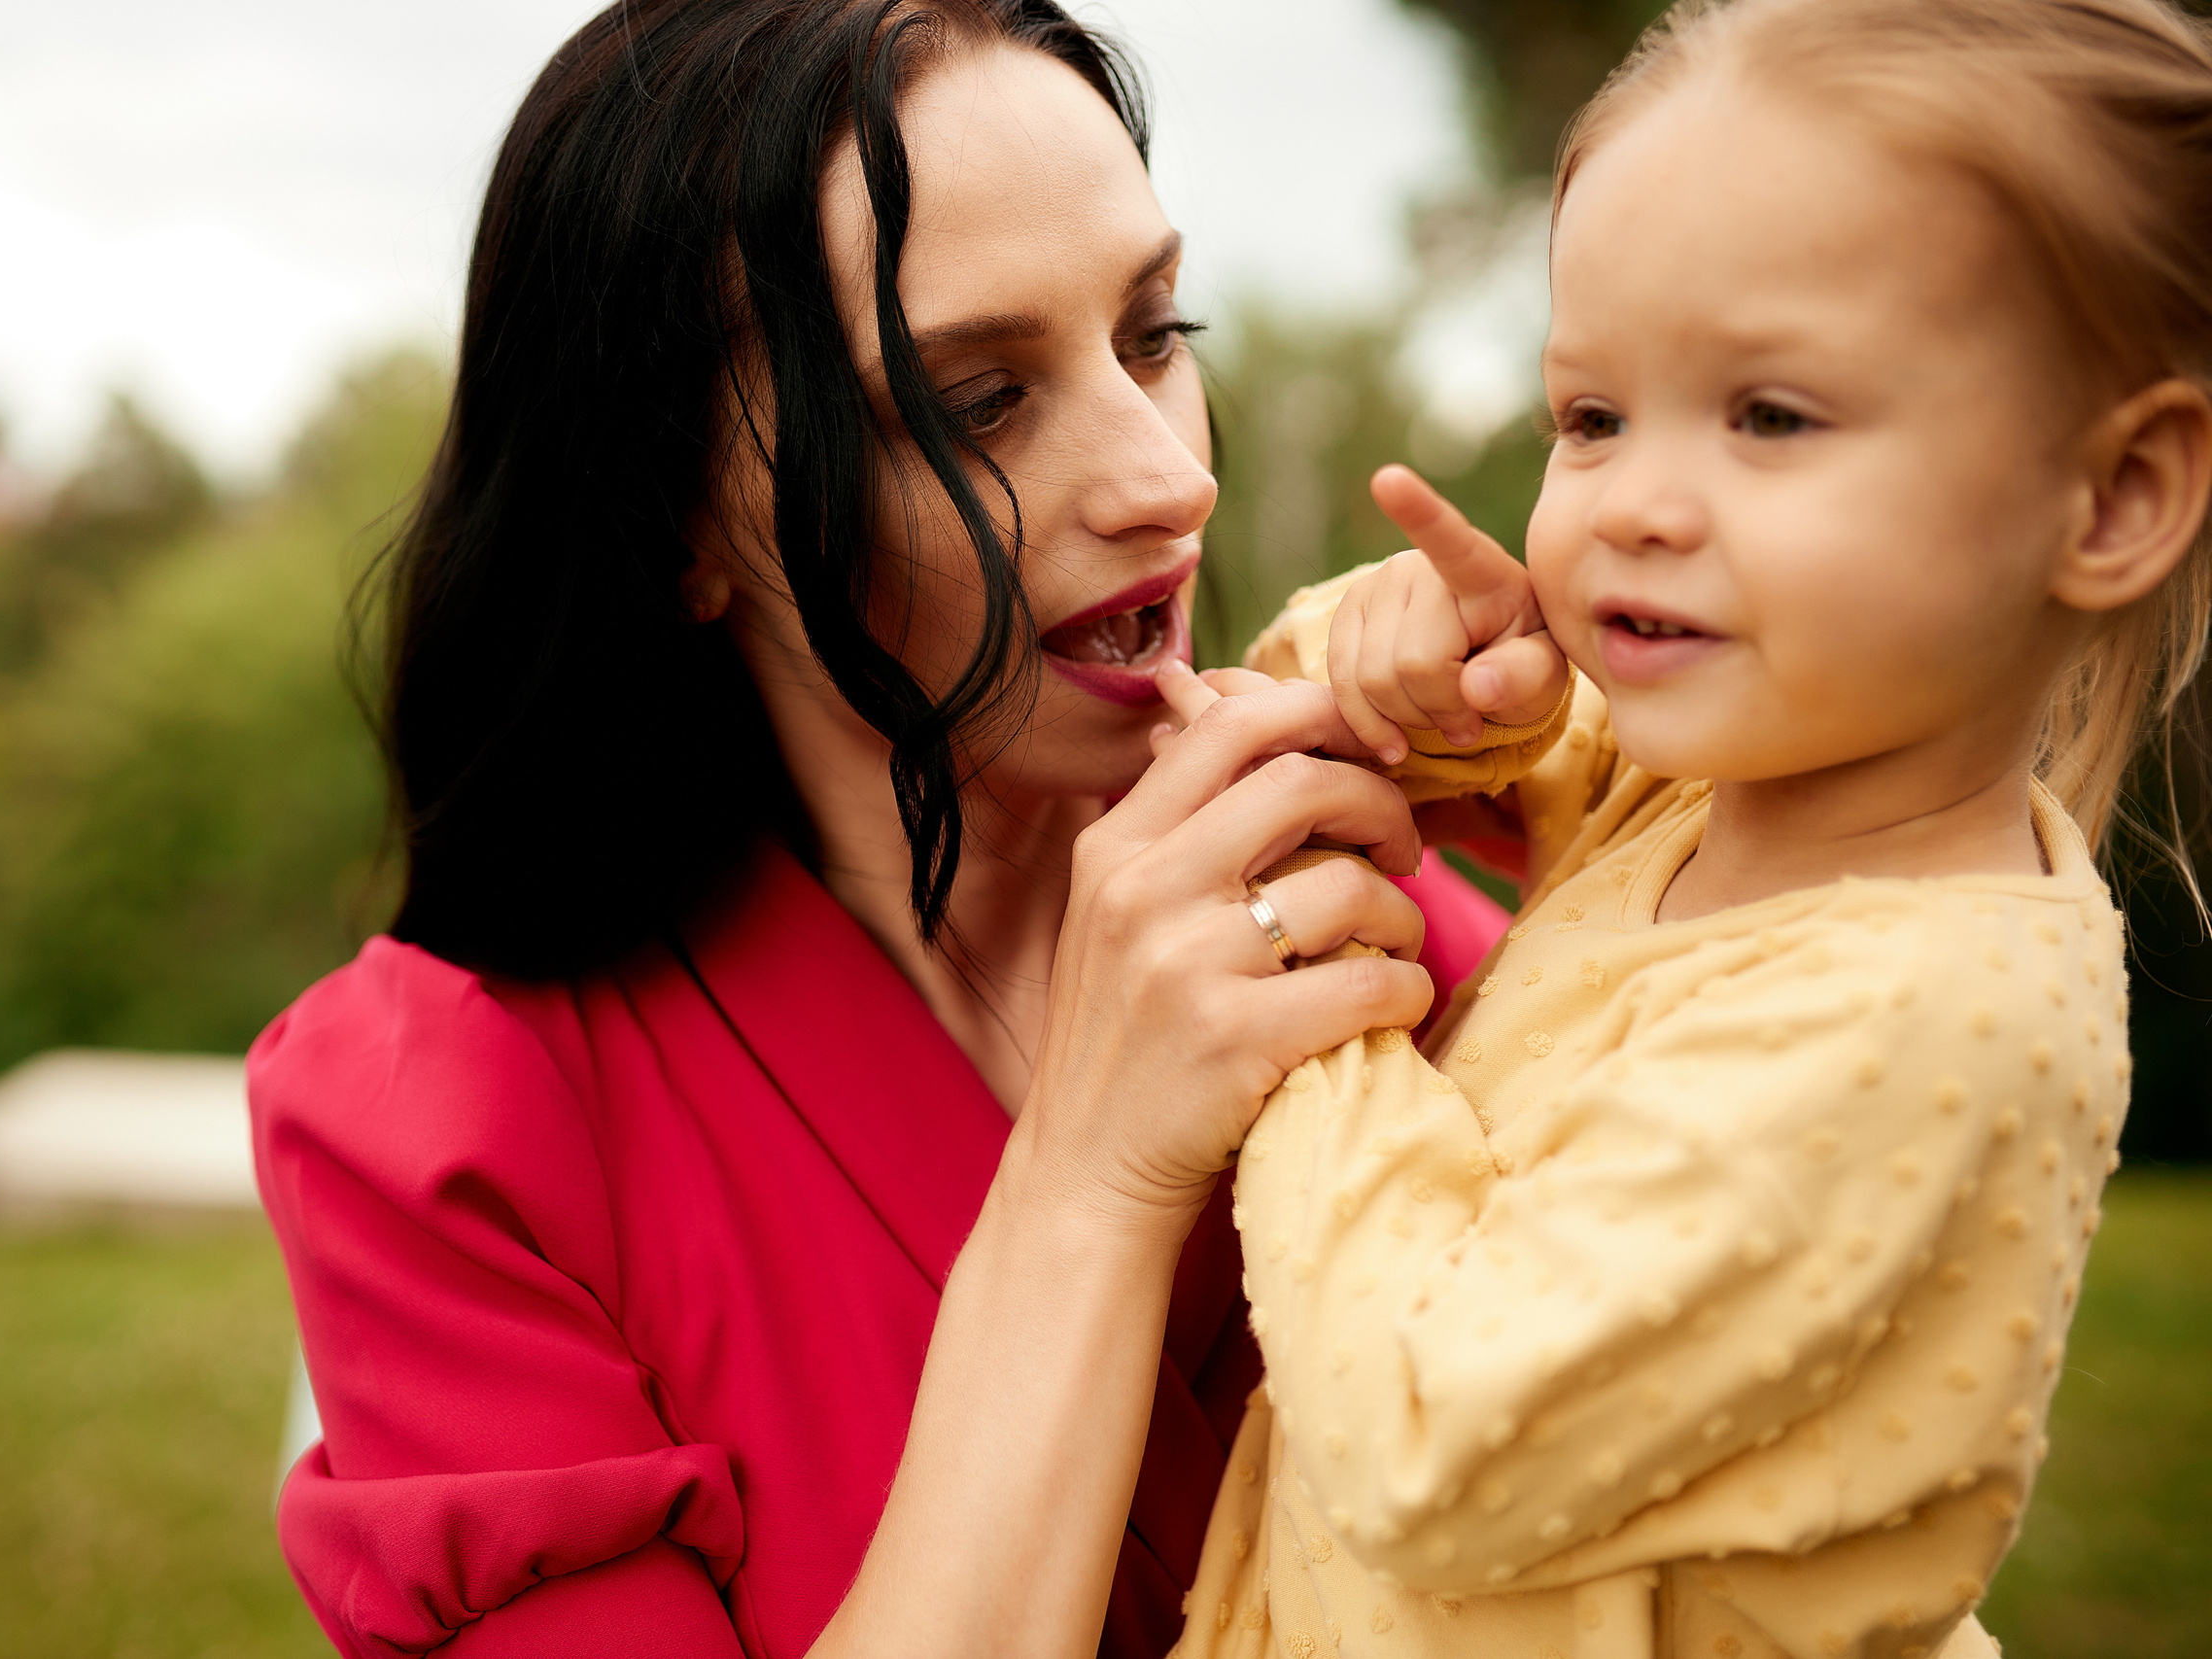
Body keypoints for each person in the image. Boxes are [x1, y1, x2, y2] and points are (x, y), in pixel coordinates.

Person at [246, 3, 1514, 1655]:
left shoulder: (1382, 919)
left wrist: (1631, 816)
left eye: (1153, 332)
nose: (1164, 481)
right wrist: (1089, 1179)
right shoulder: (440, 1132)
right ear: (677, 522)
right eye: (977, 400)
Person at [1169, 1, 2212, 1654]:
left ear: (2113, 497)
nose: (1633, 503)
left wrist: (1317, 1009)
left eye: (1771, 418)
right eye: (1590, 418)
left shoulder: (1923, 1012)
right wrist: (1453, 687)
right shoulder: (1729, 785)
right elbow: (1304, 708)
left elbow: (1434, 1434)